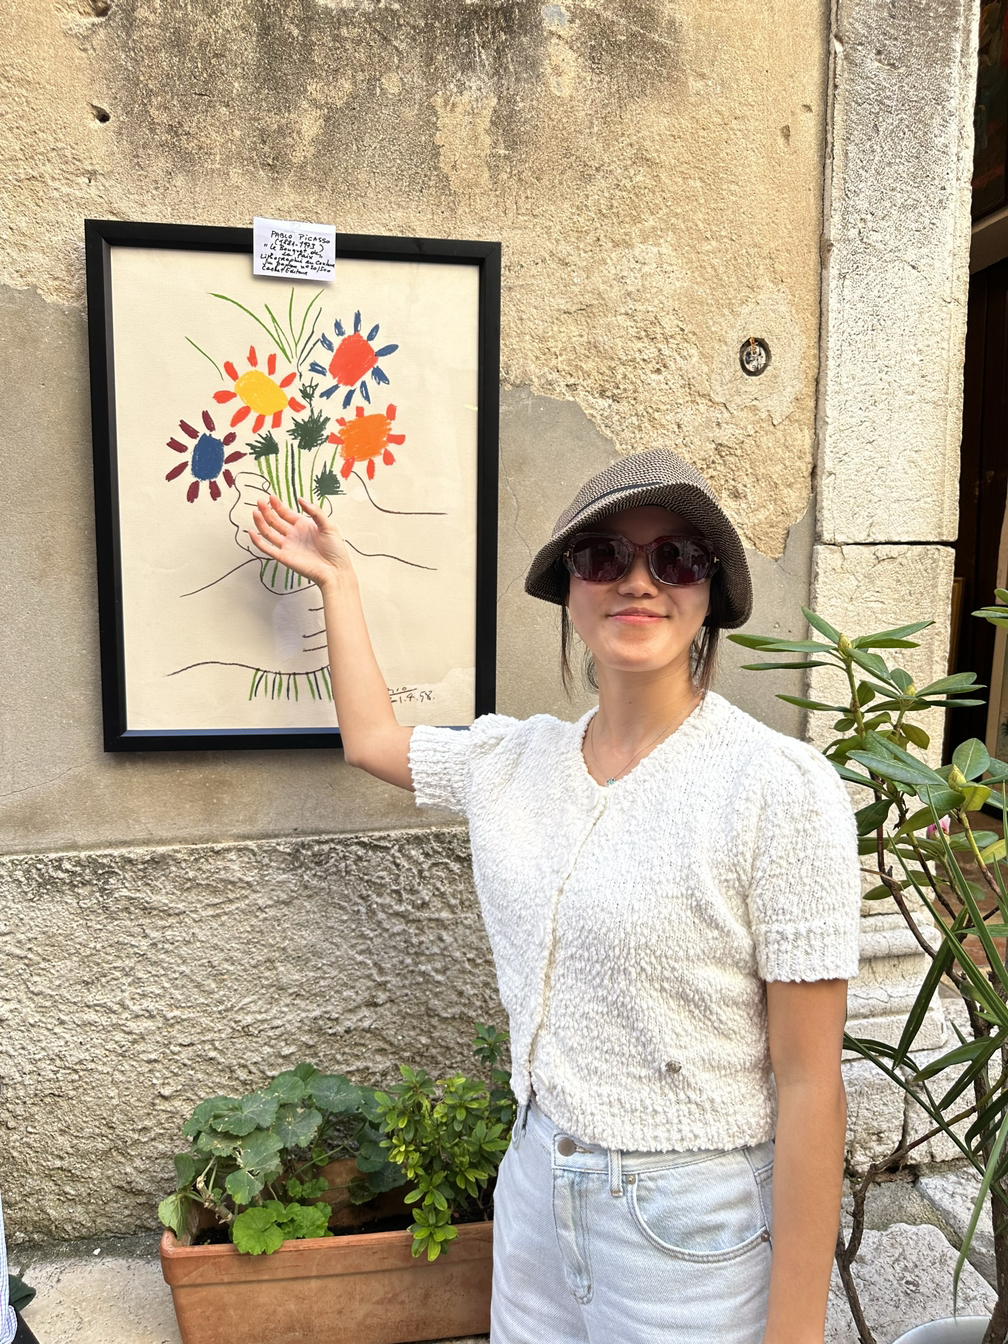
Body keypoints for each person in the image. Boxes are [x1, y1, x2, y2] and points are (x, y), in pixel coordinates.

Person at [248, 447, 862, 1344]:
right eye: (604, 556)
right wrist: (339, 581)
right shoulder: (514, 761)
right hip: (536, 1187)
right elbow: (372, 740)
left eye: (676, 558)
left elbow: (810, 1082)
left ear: (711, 594)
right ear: (570, 591)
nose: (639, 582)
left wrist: (796, 1332)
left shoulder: (780, 790)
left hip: (688, 1225)